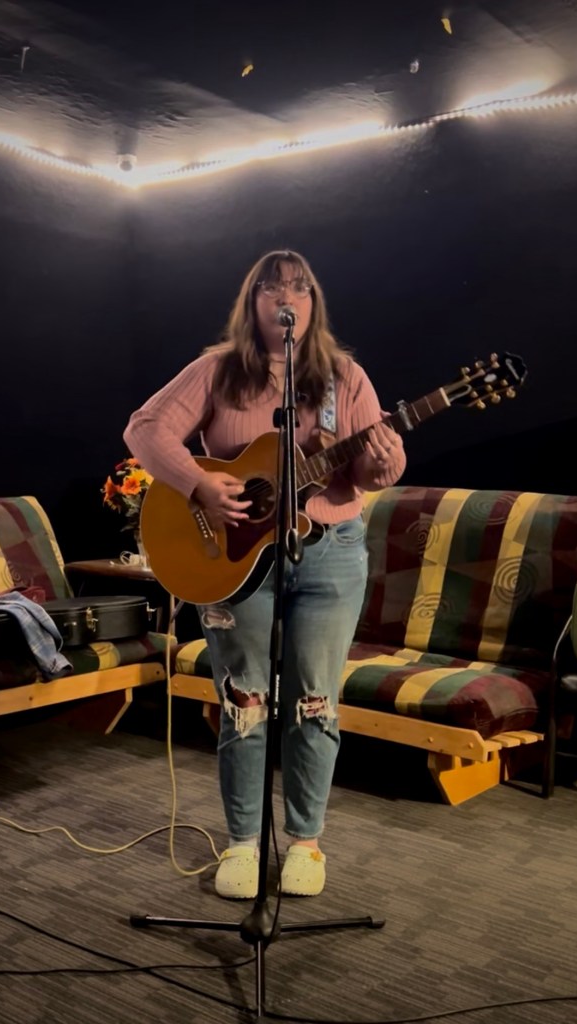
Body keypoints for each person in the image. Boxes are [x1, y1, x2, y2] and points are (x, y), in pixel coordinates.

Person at [123, 249, 406, 899]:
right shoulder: (218, 370)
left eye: (299, 288)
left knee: (315, 700)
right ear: (252, 302)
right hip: (234, 559)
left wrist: (384, 460)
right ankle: (244, 844)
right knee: (244, 701)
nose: (286, 298)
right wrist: (198, 484)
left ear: (313, 303)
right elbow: (144, 429)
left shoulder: (344, 378)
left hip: (329, 552)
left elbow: (367, 474)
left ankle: (304, 842)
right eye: (272, 288)